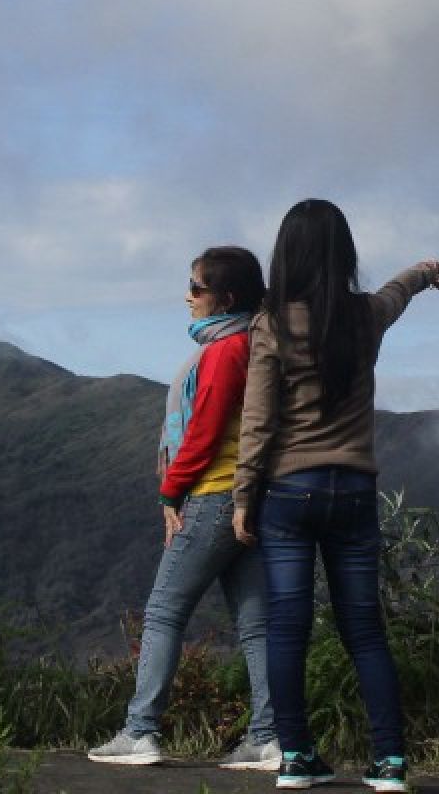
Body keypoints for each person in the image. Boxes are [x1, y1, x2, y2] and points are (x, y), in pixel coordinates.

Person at [231, 198, 439, 792]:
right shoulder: (363, 317)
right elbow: (397, 292)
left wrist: (241, 497)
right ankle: (389, 762)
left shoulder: (271, 324)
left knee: (287, 629)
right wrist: (427, 269)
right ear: (343, 253)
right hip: (355, 490)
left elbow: (256, 421)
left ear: (288, 253)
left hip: (288, 494)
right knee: (365, 631)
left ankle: (297, 758)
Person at [88, 247, 279, 770]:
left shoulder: (224, 351)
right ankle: (269, 738)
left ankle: (140, 731)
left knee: (164, 612)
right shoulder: (258, 344)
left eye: (195, 287)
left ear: (226, 297)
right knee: (257, 624)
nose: (188, 297)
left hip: (213, 495)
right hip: (250, 500)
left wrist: (171, 491)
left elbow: (203, 432)